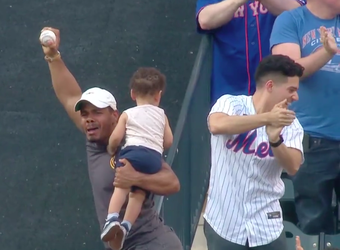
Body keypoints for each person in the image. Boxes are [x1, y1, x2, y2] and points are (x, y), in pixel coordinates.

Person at [39, 27, 183, 250]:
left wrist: (135, 177)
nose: (88, 119)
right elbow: (69, 96)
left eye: (97, 113)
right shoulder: (94, 141)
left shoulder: (134, 142)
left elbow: (172, 183)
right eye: (85, 114)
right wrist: (52, 56)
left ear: (115, 116)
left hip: (152, 243)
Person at [204, 54, 305, 250]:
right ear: (270, 86)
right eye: (291, 90)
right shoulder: (231, 103)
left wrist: (275, 140)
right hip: (224, 223)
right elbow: (216, 125)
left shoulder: (291, 124)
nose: (295, 97)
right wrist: (267, 119)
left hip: (267, 227)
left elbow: (293, 166)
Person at [270, 0, 340, 234]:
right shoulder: (291, 21)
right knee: (314, 224)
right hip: (312, 139)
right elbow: (287, 72)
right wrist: (326, 53)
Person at [101, 68, 174, 250]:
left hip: (132, 153)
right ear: (158, 96)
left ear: (132, 94)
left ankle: (111, 220)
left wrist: (111, 148)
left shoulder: (128, 113)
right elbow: (169, 141)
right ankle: (126, 226)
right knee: (138, 194)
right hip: (154, 159)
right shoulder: (162, 115)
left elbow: (116, 138)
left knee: (122, 187)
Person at [195, 0, 305, 104]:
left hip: (275, 81)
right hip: (230, 83)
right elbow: (204, 20)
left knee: (277, 120)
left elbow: (299, 12)